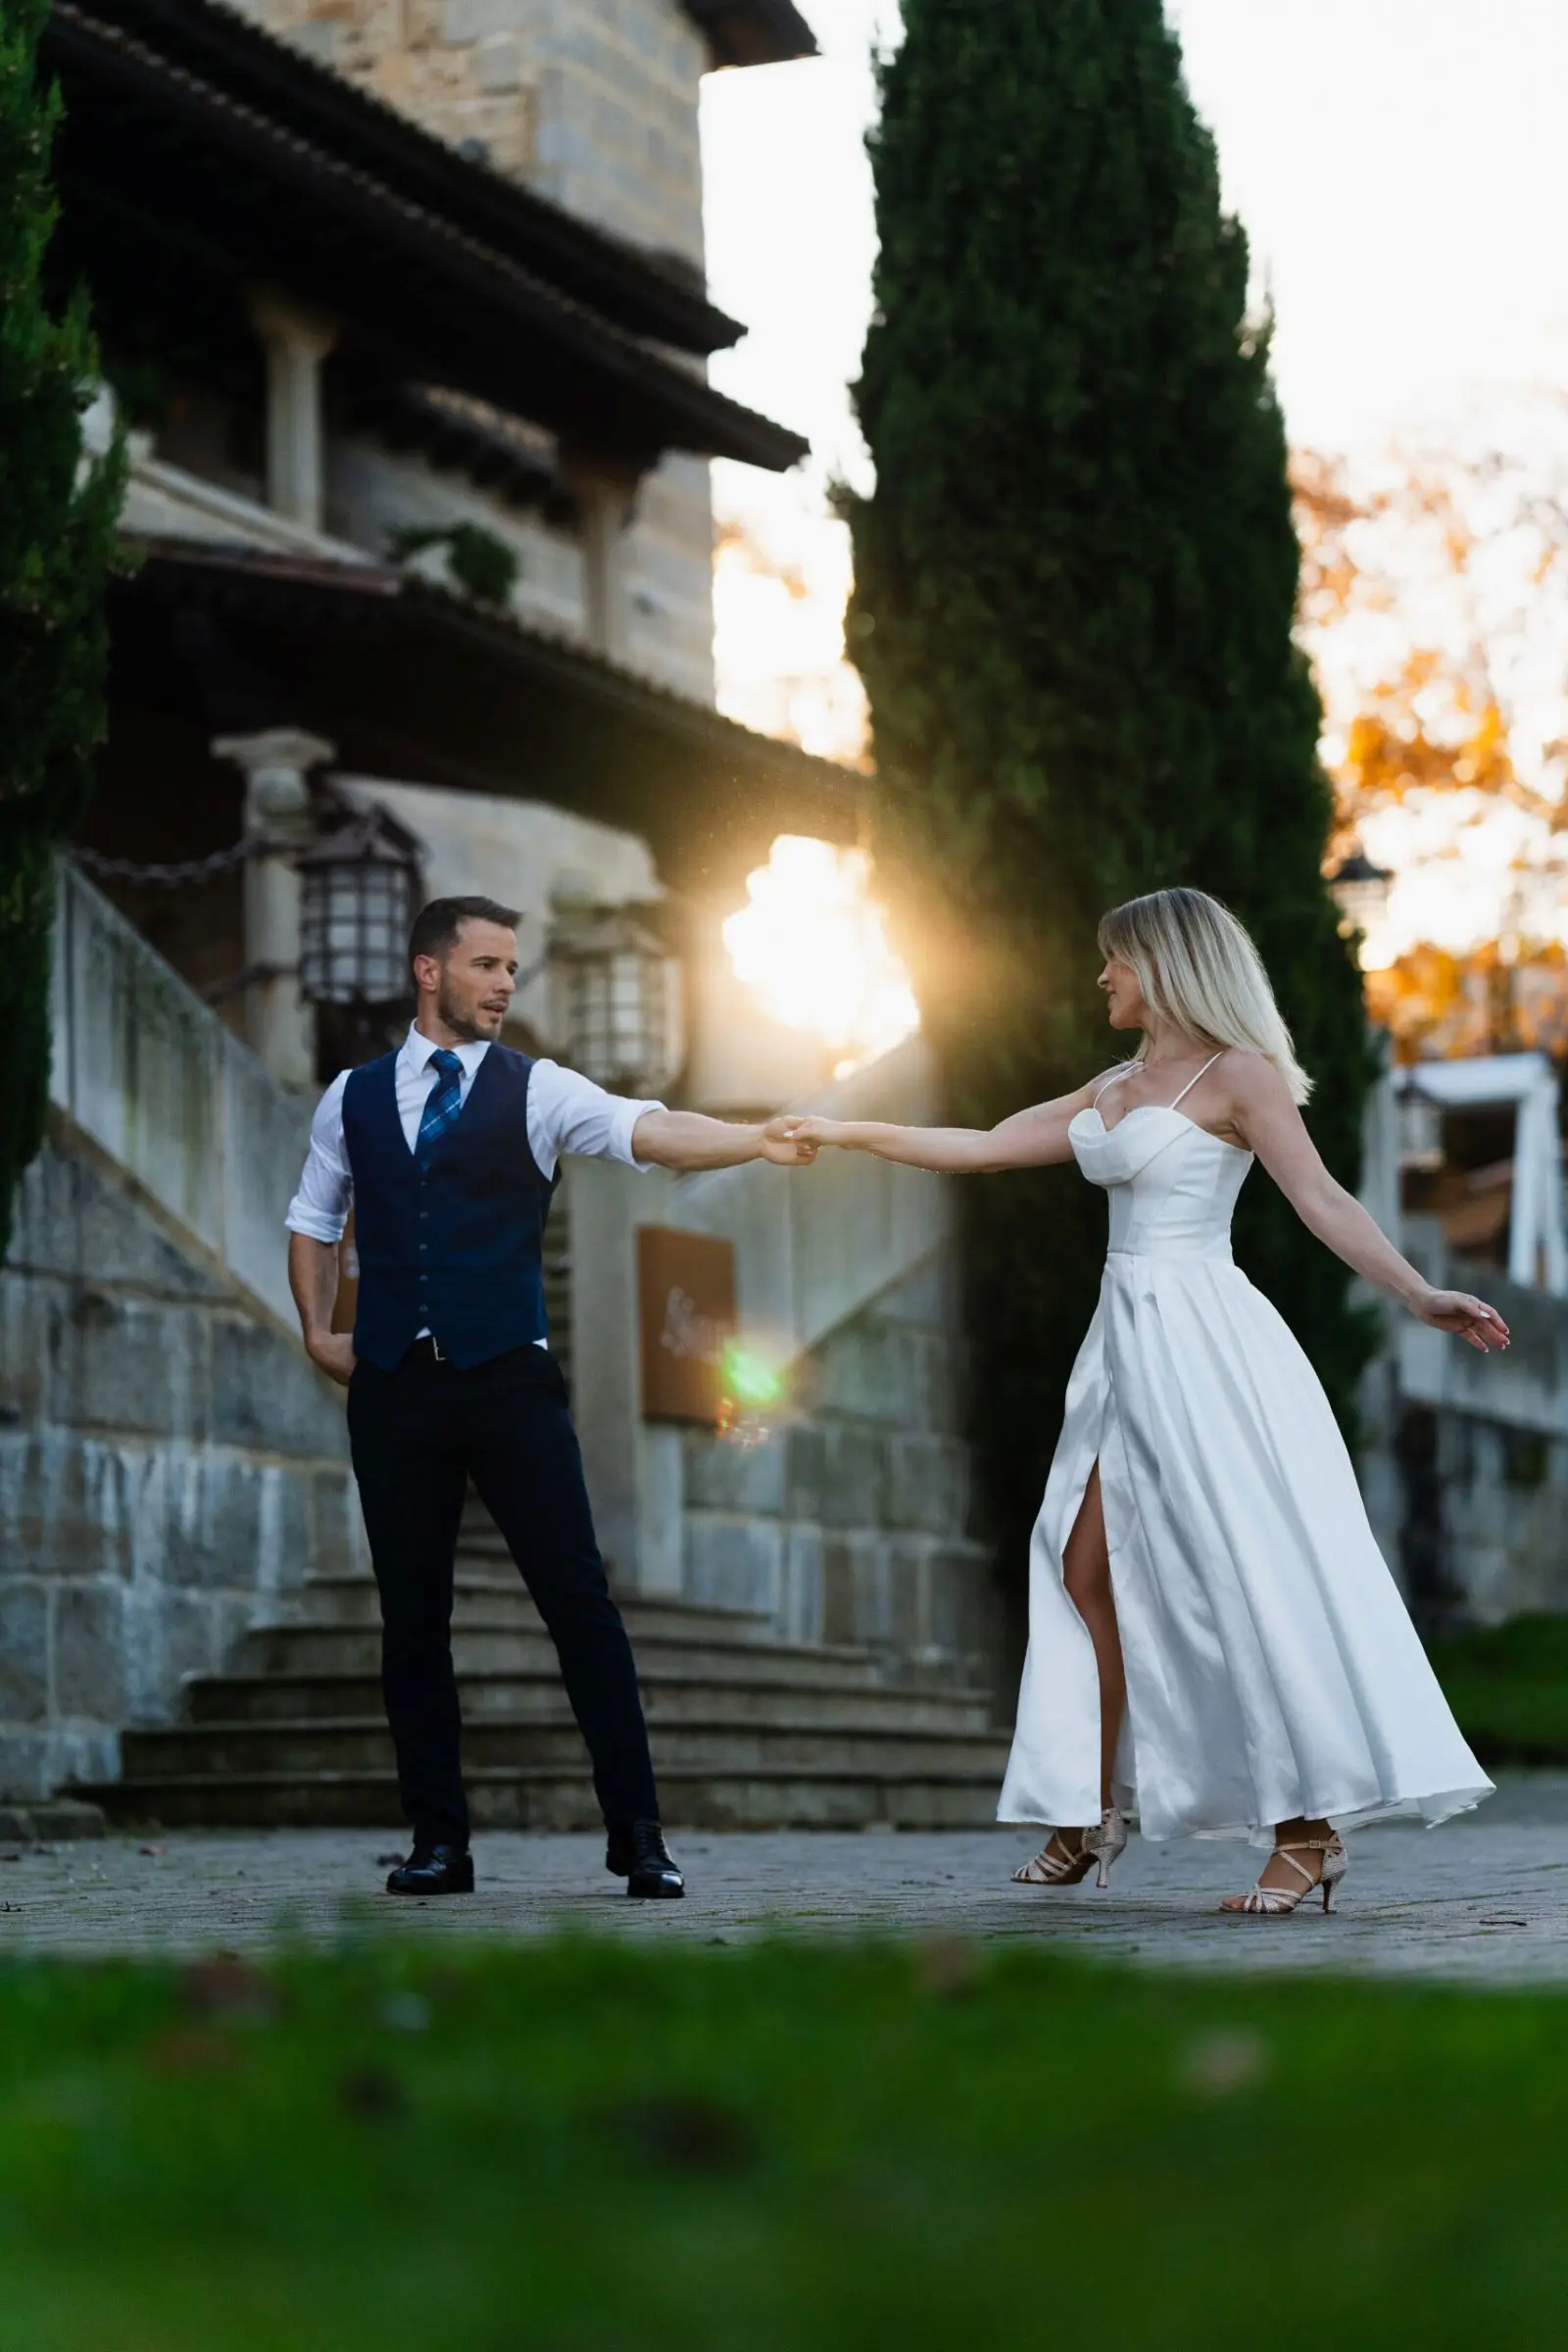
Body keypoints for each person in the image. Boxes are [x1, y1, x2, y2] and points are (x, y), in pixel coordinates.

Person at [784, 887, 1504, 1917]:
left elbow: (1321, 1199)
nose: (1101, 978)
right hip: (1122, 1349)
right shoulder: (1113, 1085)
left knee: (1228, 1574)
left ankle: (1306, 1832)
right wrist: (844, 1129)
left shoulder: (1239, 1077)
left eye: (1113, 961)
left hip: (1206, 1343)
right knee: (1082, 1571)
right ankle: (1089, 1809)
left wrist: (1417, 1292)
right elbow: (984, 1144)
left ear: (1162, 966)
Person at [286, 895, 814, 1899]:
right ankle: (438, 1843)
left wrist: (752, 1140)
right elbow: (313, 1219)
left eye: (512, 969)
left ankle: (640, 1837)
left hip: (509, 1383)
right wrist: (320, 1333)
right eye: (485, 965)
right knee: (411, 1620)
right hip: (396, 1385)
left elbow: (648, 1130)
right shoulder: (350, 1097)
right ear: (428, 972)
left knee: (580, 1604)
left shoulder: (538, 1090)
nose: (503, 985)